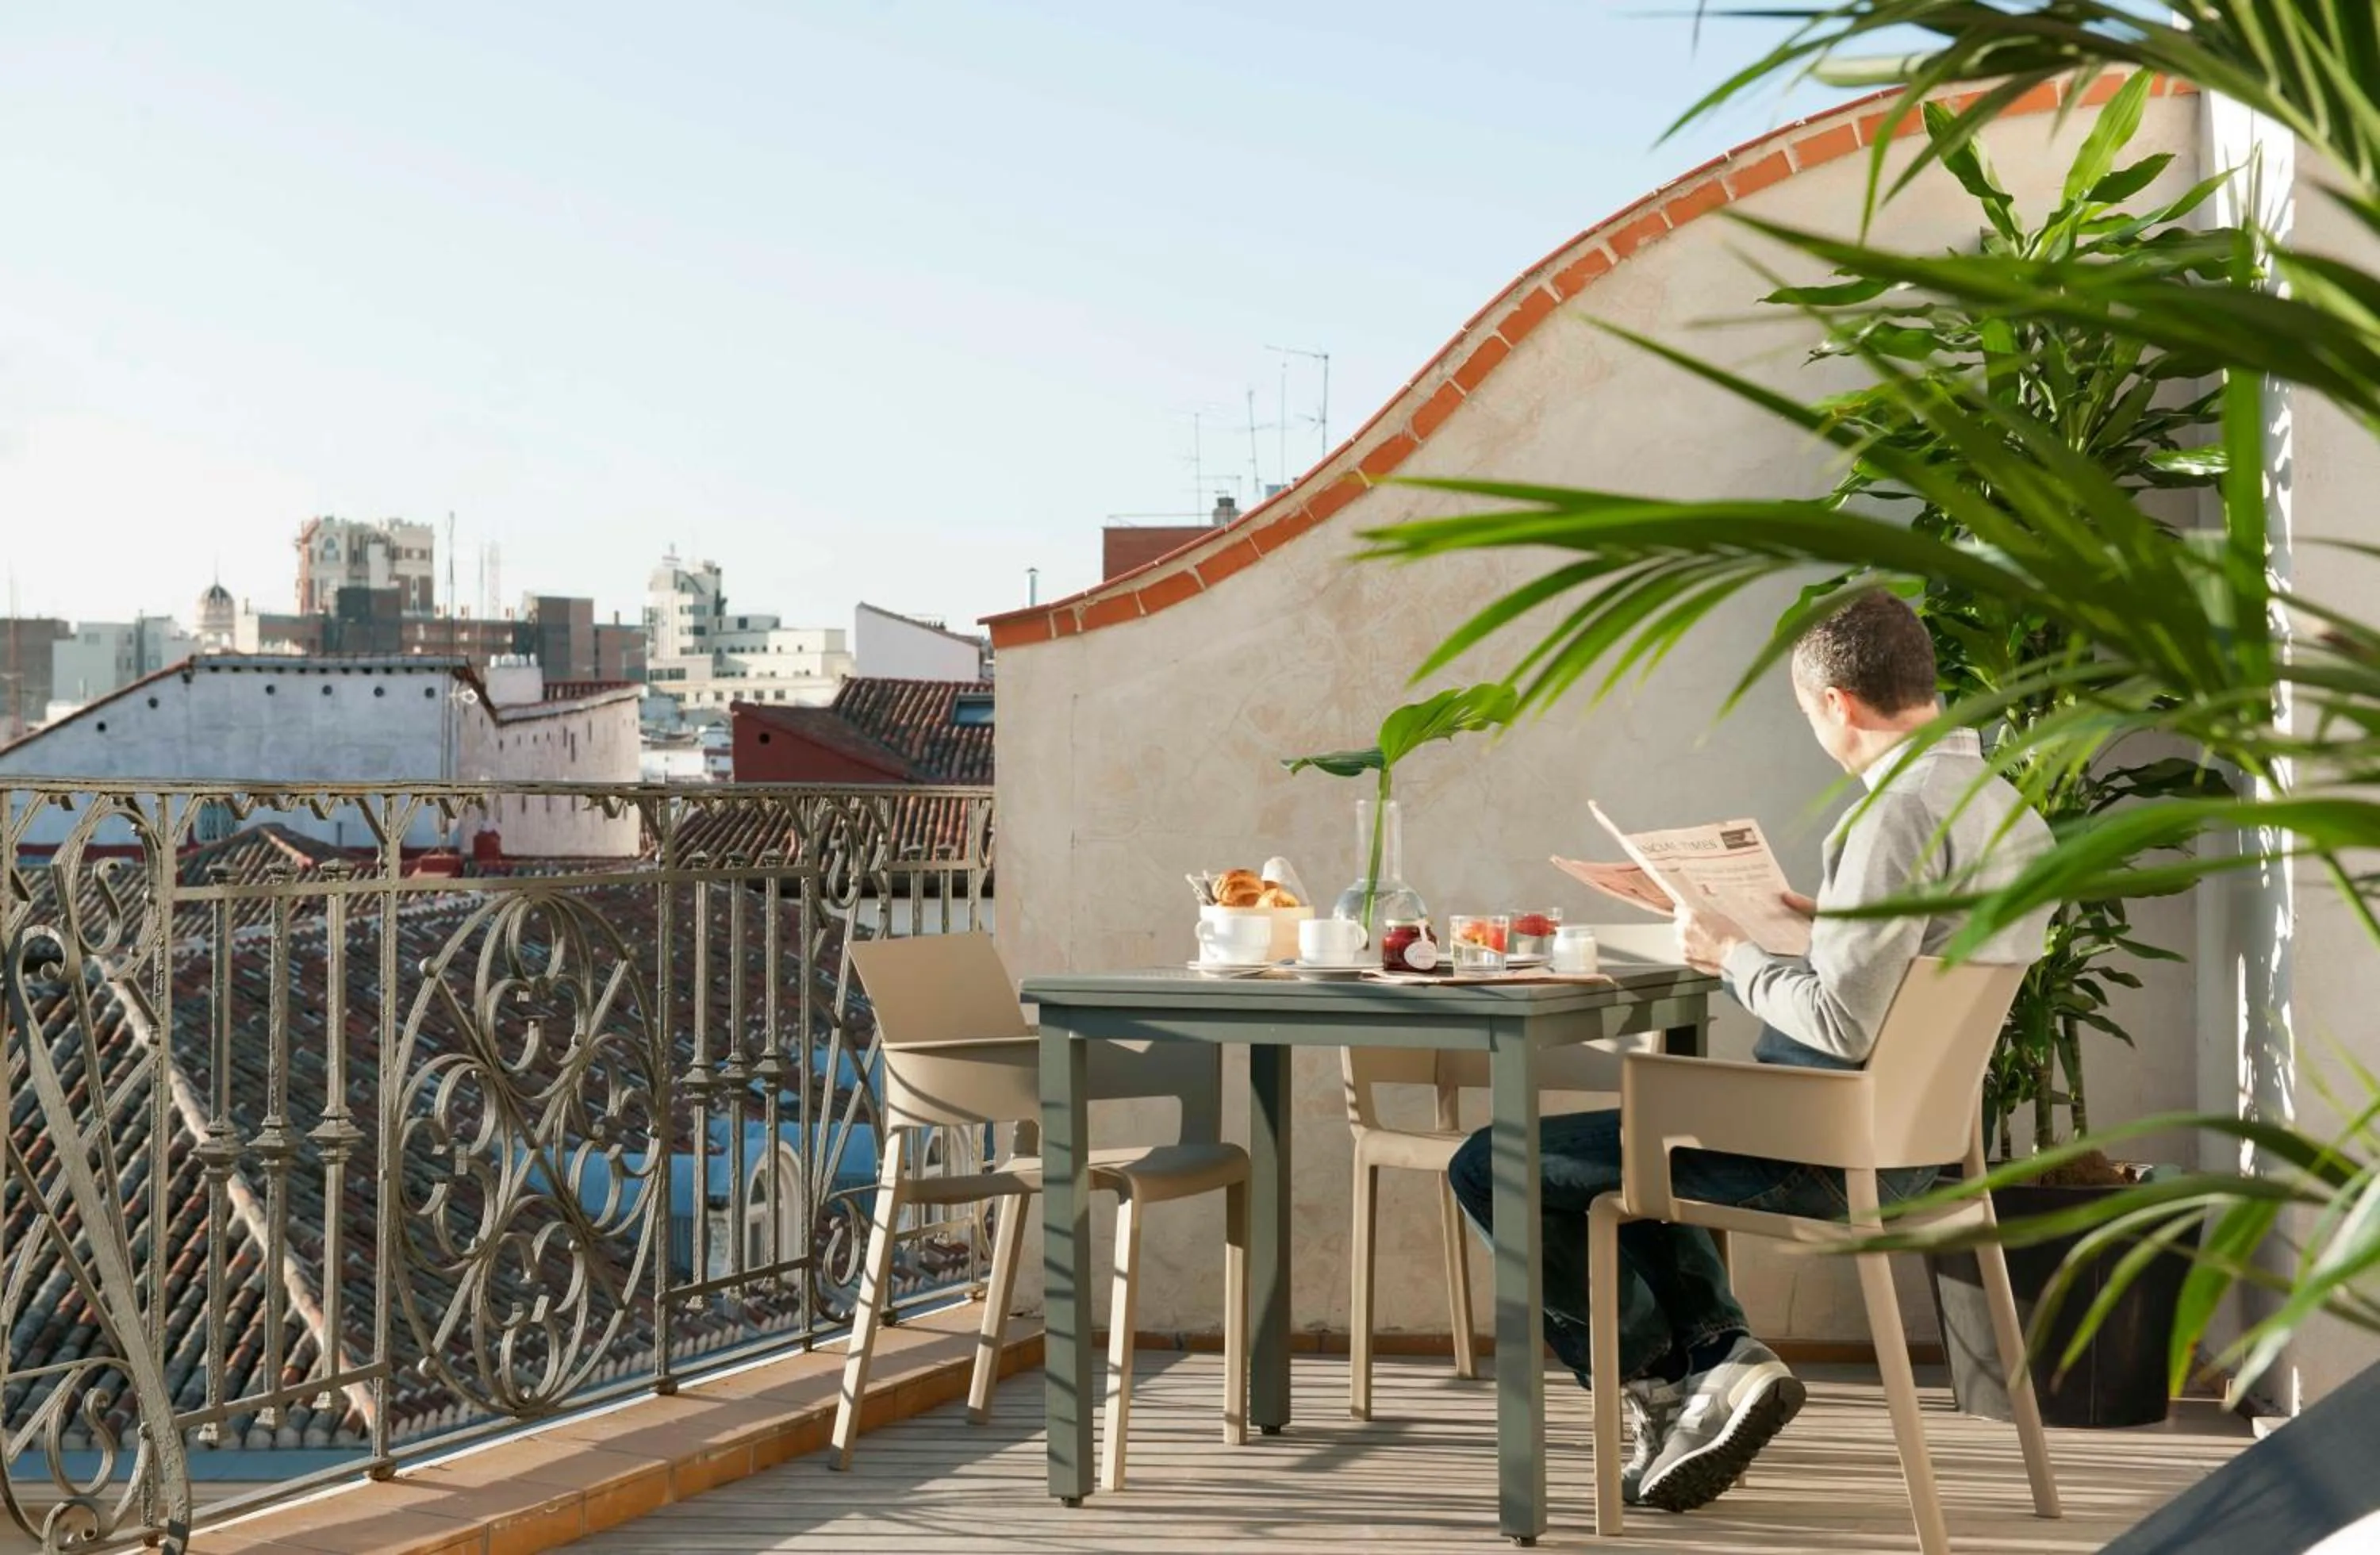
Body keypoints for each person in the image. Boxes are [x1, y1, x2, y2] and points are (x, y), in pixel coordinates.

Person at [1445, 589, 2052, 1515]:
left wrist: (1728, 952)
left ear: (1837, 703)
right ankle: (1717, 1361)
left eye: (1811, 714)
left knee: (1496, 1163)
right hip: (1919, 1145)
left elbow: (1844, 1026)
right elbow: (1907, 973)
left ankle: (1678, 1375)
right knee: (1637, 1149)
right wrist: (1827, 922)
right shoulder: (2003, 808)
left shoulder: (1892, 815)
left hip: (1821, 1148)